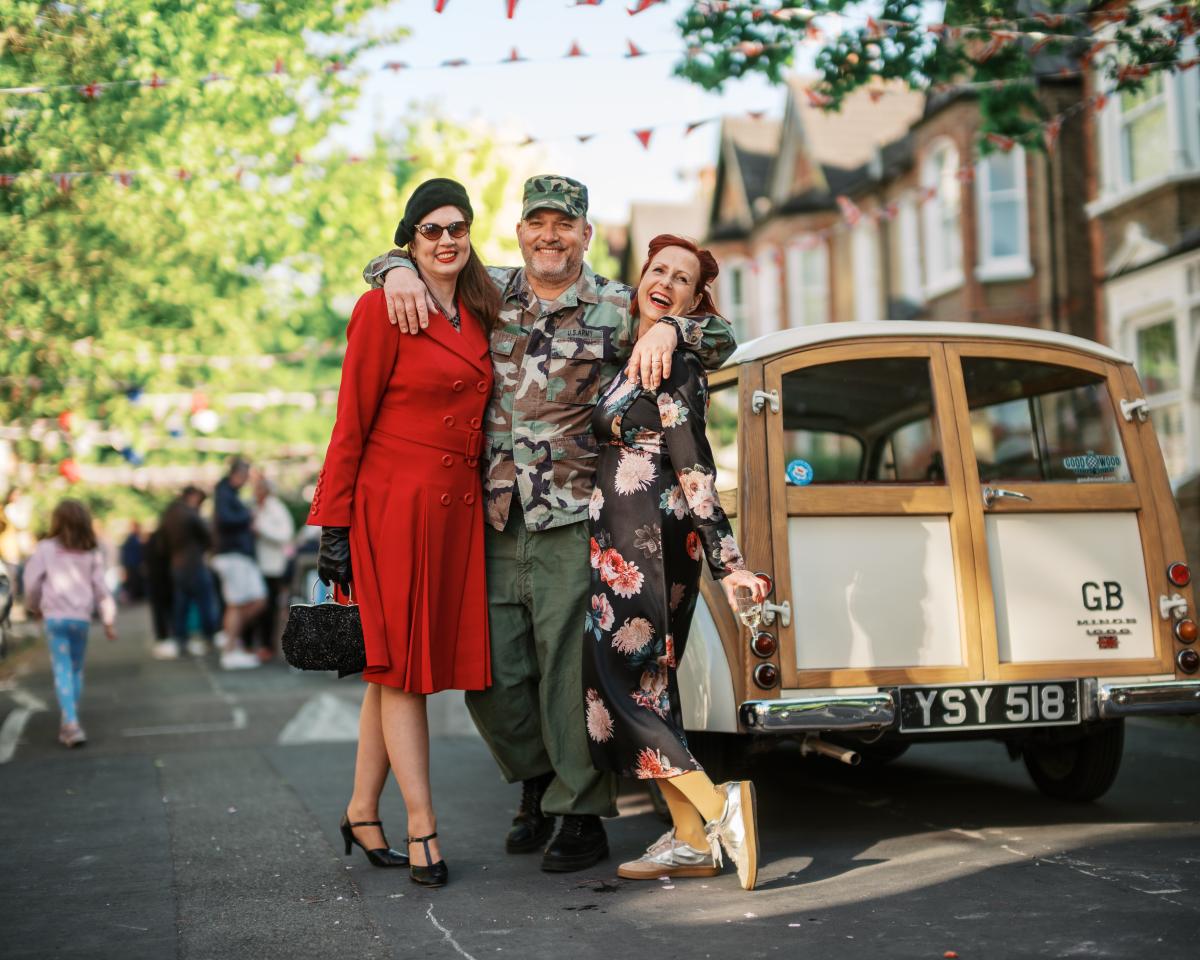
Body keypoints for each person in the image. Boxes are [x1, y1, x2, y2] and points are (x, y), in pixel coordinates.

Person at [361, 175, 737, 872]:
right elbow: (420, 258)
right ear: (520, 233)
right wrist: (393, 270)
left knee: (570, 671)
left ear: (585, 235)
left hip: (574, 516)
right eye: (537, 223)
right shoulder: (487, 291)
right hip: (491, 514)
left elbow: (721, 336)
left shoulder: (623, 306)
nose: (550, 236)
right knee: (491, 673)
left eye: (564, 225)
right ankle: (537, 780)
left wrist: (671, 326)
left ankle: (578, 813)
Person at [312, 178, 498, 888]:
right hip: (391, 508)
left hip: (453, 513)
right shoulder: (381, 307)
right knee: (403, 675)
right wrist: (333, 524)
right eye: (430, 231)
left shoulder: (483, 304)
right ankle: (423, 827)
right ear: (410, 239)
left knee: (394, 669)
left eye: (457, 227)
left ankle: (363, 809)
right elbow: (349, 423)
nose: (446, 240)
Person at [581, 235, 767, 890]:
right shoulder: (633, 360)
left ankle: (719, 811)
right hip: (616, 556)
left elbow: (694, 468)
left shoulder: (676, 364)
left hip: (652, 556)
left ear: (693, 301)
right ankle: (690, 841)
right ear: (640, 281)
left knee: (627, 688)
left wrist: (730, 561)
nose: (665, 280)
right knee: (648, 696)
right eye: (657, 269)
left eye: (681, 278)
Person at [23, 499, 118, 747]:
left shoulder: (46, 548)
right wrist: (108, 619)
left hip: (54, 617)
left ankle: (70, 723)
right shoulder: (90, 552)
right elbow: (101, 589)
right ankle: (70, 720)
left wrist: (34, 606)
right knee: (75, 669)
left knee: (61, 669)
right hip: (80, 620)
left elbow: (31, 582)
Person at [211, 458, 267, 670]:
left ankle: (230, 639)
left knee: (253, 600)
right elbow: (225, 519)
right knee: (237, 602)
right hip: (232, 554)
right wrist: (247, 516)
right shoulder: (224, 493)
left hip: (237, 554)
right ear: (238, 474)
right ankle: (230, 647)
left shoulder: (227, 493)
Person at [158, 485, 219, 660]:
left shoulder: (170, 514)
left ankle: (180, 639)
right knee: (205, 602)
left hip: (177, 563)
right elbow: (207, 535)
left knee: (181, 604)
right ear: (192, 496)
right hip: (193, 562)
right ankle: (209, 636)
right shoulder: (189, 513)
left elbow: (161, 543)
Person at [250, 474, 294, 662]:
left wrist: (262, 531)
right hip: (259, 565)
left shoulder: (276, 509)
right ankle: (262, 645)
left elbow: (285, 534)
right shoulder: (256, 508)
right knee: (261, 607)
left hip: (273, 567)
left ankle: (268, 646)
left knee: (269, 608)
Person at [118, 520, 147, 602]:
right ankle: (135, 597)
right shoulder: (132, 539)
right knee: (134, 582)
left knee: (136, 582)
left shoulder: (135, 538)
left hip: (134, 564)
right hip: (132, 564)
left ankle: (137, 596)